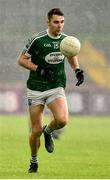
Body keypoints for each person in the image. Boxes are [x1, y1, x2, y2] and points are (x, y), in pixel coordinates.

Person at [17, 8, 84, 173]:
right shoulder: (37, 40)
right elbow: (21, 60)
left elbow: (71, 54)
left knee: (62, 120)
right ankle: (33, 160)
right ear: (48, 22)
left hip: (56, 86)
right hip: (36, 88)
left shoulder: (66, 40)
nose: (59, 26)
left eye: (62, 22)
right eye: (56, 22)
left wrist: (77, 70)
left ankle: (49, 131)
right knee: (35, 130)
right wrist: (38, 69)